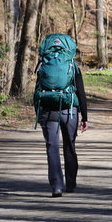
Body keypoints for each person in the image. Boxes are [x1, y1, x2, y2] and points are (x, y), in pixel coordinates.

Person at [34, 34, 89, 197]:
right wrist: (84, 117)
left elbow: (36, 91)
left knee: (52, 147)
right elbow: (81, 92)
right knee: (69, 146)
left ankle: (57, 186)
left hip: (48, 110)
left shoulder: (43, 63)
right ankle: (71, 184)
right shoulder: (72, 65)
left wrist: (38, 111)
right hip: (69, 110)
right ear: (70, 49)